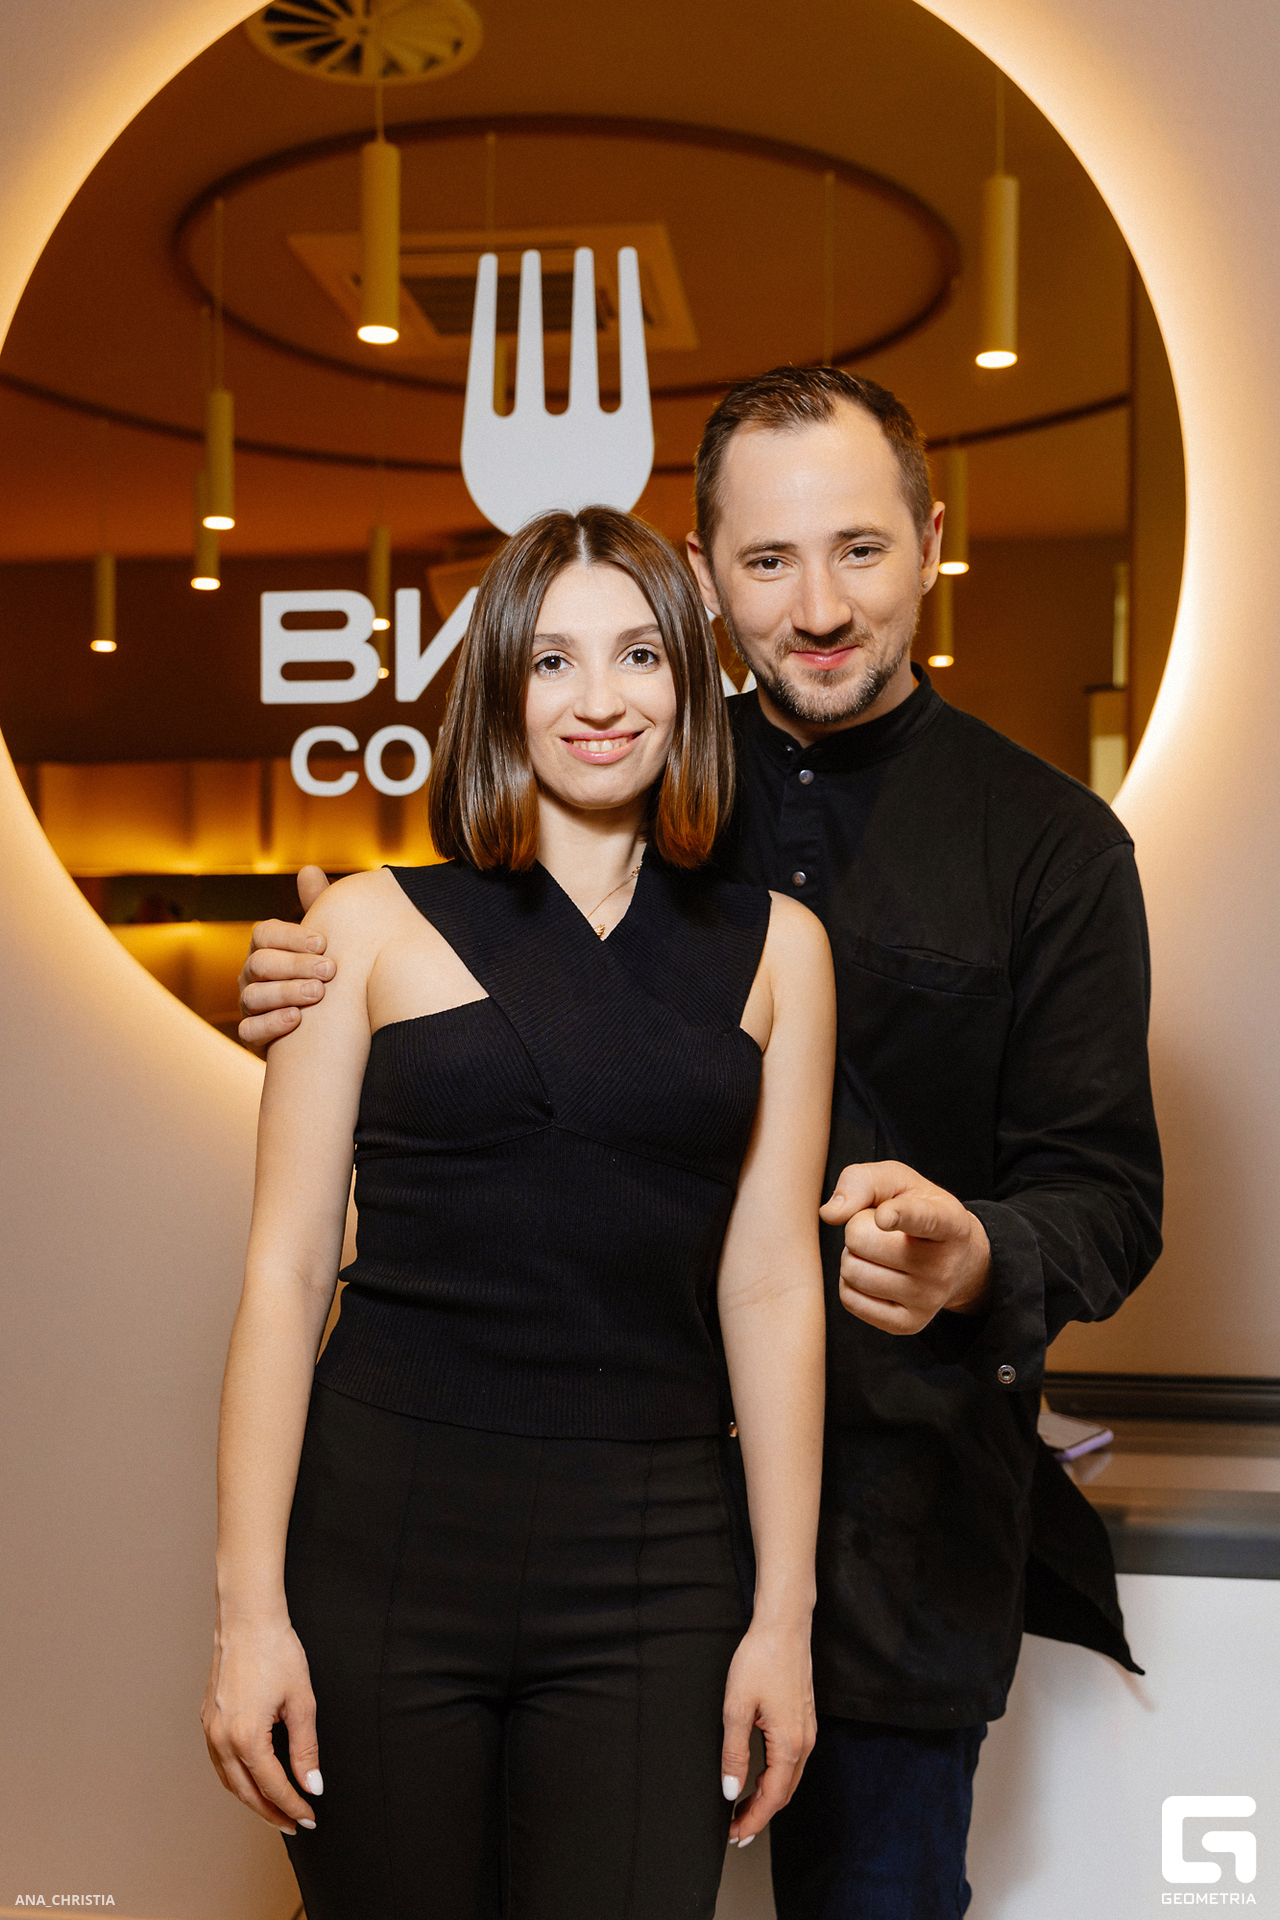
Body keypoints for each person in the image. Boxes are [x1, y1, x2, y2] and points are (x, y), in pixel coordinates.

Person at [239, 369, 1163, 1919]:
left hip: (890, 1525)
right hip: (576, 1483)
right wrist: (307, 977)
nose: (820, 604)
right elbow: (449, 991)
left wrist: (978, 1253)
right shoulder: (620, 754)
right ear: (706, 573)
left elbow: (1112, 1193)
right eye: (768, 560)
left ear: (933, 542)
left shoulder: (1056, 848)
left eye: (860, 549)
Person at [204, 505, 835, 1920]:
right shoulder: (359, 927)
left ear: (691, 681)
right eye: (552, 661)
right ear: (499, 690)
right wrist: (248, 1617)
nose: (599, 699)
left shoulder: (782, 952)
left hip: (655, 1559)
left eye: (638, 655)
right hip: (381, 1544)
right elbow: (286, 1276)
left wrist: (782, 1619)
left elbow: (771, 1288)